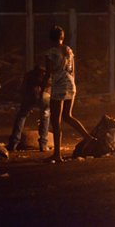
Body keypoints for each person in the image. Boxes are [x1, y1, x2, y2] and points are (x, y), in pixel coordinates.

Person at [44, 26, 94, 163]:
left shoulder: (51, 53)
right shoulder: (69, 50)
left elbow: (48, 73)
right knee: (67, 115)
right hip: (70, 84)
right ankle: (87, 137)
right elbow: (73, 71)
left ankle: (57, 155)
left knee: (56, 121)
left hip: (59, 86)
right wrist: (72, 84)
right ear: (62, 37)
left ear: (50, 38)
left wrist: (43, 88)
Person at [7, 66, 51, 152]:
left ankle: (13, 144)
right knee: (45, 117)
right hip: (45, 95)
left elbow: (23, 88)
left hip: (30, 94)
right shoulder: (49, 74)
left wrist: (25, 98)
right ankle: (43, 144)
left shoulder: (29, 74)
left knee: (22, 116)